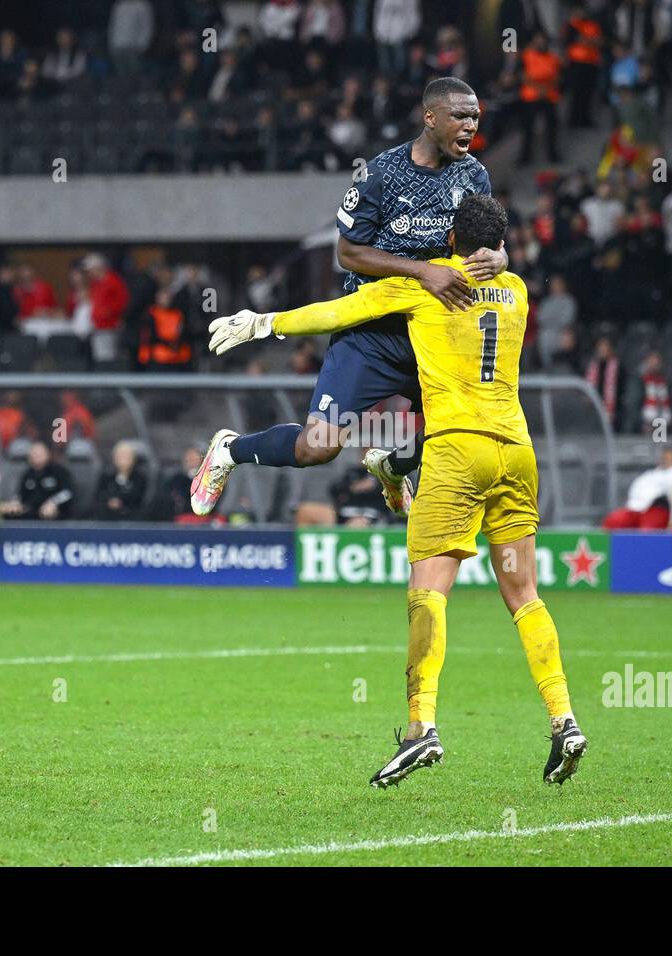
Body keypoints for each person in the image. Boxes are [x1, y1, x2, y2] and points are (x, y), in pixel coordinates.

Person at [208, 195, 587, 788]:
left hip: (459, 454)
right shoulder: (516, 290)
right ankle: (564, 720)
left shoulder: (425, 287)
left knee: (428, 594)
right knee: (524, 594)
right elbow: (499, 262)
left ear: (450, 238)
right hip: (516, 453)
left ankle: (421, 728)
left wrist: (261, 323)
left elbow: (336, 314)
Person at [191, 77, 508, 520]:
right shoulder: (381, 174)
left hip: (431, 333)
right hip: (370, 333)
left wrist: (498, 256)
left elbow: (486, 240)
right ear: (430, 117)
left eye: (475, 115)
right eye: (460, 115)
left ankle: (391, 468)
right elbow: (348, 252)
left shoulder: (474, 175)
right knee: (316, 449)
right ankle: (230, 449)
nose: (471, 125)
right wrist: (422, 269)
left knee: (458, 431)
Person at [602, 446, 672, 529]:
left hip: (659, 509)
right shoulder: (652, 473)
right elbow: (636, 490)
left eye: (669, 458)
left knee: (647, 530)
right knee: (613, 520)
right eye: (664, 458)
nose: (665, 460)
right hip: (637, 509)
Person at [1, 442, 74, 520]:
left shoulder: (59, 471)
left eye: (39, 454)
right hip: (31, 513)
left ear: (47, 454)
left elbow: (68, 492)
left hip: (55, 513)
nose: (36, 456)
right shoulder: (27, 474)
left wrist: (53, 502)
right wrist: (15, 503)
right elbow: (20, 494)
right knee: (10, 514)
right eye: (33, 454)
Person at [90, 441, 149, 521]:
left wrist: (122, 503)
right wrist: (109, 501)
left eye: (126, 456)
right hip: (107, 521)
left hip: (133, 521)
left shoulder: (140, 478)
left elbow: (140, 500)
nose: (122, 459)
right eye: (119, 456)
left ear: (133, 458)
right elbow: (98, 496)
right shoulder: (106, 476)